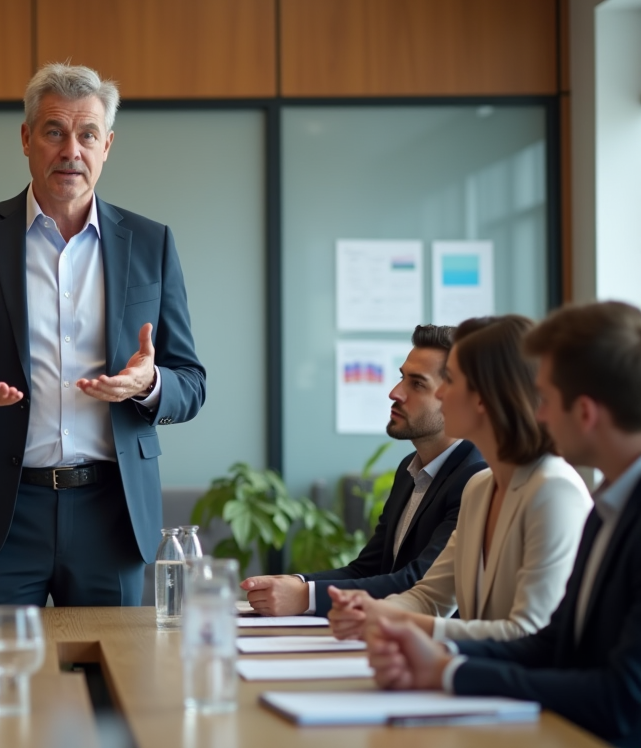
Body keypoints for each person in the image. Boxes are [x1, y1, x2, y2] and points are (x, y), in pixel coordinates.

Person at [0, 62, 206, 606]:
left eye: (87, 135)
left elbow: (191, 382)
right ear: (26, 139)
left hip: (112, 514)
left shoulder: (151, 243)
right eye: (54, 132)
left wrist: (149, 382)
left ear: (107, 145)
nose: (71, 151)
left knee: (118, 683)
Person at [365, 301, 641, 746]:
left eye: (546, 399)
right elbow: (551, 644)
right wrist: (432, 656)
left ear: (586, 413)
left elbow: (621, 700)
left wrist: (446, 669)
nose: (540, 413)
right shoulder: (611, 505)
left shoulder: (566, 493)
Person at [330, 315, 591, 643]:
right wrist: (370, 611)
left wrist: (400, 624)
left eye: (450, 380)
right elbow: (428, 598)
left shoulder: (554, 491)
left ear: (483, 397)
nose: (441, 396)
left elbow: (529, 633)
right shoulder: (479, 487)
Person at [242, 325, 486, 616]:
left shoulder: (476, 477)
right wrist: (297, 583)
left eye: (417, 384)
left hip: (442, 647)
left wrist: (306, 596)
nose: (395, 393)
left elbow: (420, 583)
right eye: (401, 377)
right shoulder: (409, 470)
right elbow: (367, 568)